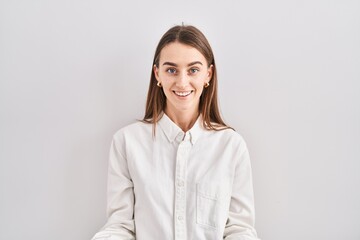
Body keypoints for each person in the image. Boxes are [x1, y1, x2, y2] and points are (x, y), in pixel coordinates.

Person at [91, 25, 260, 240]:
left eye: (193, 70)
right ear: (157, 74)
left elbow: (239, 229)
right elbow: (121, 227)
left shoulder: (231, 146)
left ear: (208, 74)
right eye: (171, 70)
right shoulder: (127, 142)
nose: (182, 82)